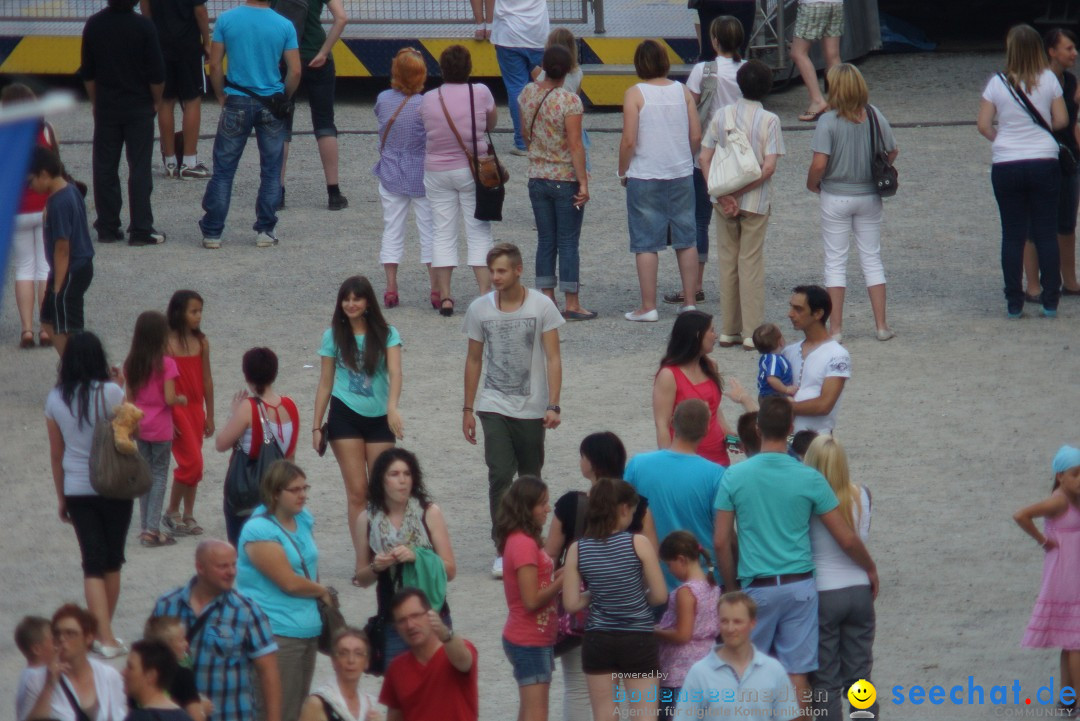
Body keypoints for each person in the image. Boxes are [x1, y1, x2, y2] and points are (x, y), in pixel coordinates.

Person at [713, 397, 877, 710]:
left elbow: (721, 540)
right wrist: (869, 568)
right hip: (799, 584)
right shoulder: (810, 478)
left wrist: (732, 589)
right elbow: (845, 536)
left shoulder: (733, 477)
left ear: (758, 428)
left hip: (756, 586)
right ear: (790, 428)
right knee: (797, 675)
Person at [462, 243, 564, 578]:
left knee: (531, 478)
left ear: (518, 270)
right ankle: (504, 547)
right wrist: (468, 408)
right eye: (492, 271)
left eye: (501, 270)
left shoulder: (541, 305)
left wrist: (553, 403)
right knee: (500, 475)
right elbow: (474, 359)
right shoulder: (479, 309)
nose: (495, 277)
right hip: (493, 405)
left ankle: (530, 542)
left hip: (532, 408)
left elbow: (553, 357)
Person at [544, 432, 657, 721]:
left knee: (583, 696)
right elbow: (653, 567)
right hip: (636, 627)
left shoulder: (571, 505)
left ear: (592, 463)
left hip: (592, 628)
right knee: (643, 709)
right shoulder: (639, 506)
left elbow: (549, 555)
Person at [45, 332, 131, 657]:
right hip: (114, 484)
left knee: (92, 563)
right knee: (113, 560)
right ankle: (103, 635)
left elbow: (57, 454)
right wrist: (122, 385)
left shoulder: (55, 399)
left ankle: (101, 636)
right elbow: (128, 430)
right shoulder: (110, 392)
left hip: (78, 486)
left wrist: (61, 497)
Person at [313, 276, 404, 574]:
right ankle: (362, 558)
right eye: (346, 299)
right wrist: (317, 425)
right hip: (344, 415)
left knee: (383, 489)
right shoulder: (333, 336)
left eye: (357, 298)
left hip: (379, 417)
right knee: (357, 493)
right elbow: (325, 382)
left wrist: (392, 408)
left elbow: (395, 372)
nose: (351, 304)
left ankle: (385, 549)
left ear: (368, 303)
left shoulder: (387, 334)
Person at [977, 24, 1066, 318]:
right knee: (1045, 231)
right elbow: (1062, 120)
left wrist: (1002, 139)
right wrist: (1040, 135)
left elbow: (983, 124)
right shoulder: (1049, 80)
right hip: (1043, 161)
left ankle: (1014, 302)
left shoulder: (997, 83)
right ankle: (1051, 299)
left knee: (1013, 234)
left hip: (1007, 163)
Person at [562, 478, 669, 720]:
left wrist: (595, 594)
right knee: (643, 714)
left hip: (599, 638)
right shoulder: (638, 543)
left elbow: (571, 603)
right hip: (637, 636)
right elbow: (660, 594)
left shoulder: (578, 549)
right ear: (623, 509)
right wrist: (637, 599)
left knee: (604, 713)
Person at [237, 461, 334, 721]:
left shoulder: (302, 518)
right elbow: (288, 582)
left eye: (305, 488)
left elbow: (309, 564)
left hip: (306, 629)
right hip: (276, 633)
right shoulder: (258, 530)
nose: (303, 494)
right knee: (276, 712)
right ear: (275, 492)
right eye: (295, 489)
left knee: (297, 708)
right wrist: (321, 591)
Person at [807, 63, 898, 340]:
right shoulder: (874, 115)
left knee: (835, 262)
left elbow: (820, 163)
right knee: (872, 258)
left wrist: (812, 184)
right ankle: (881, 326)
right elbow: (892, 151)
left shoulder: (828, 121)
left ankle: (835, 329)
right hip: (869, 195)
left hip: (835, 195)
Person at [199, 0, 300, 249]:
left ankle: (213, 231)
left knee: (223, 170)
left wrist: (221, 94)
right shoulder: (284, 25)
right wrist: (283, 97)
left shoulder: (226, 20)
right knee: (271, 170)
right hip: (271, 102)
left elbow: (214, 63)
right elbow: (295, 71)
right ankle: (265, 229)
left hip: (236, 98)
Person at [700, 60, 785, 348]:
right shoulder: (770, 120)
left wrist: (723, 194)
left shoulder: (722, 115)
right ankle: (751, 332)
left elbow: (704, 158)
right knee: (750, 262)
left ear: (739, 83)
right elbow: (769, 167)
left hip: (722, 201)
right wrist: (740, 193)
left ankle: (728, 329)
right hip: (755, 200)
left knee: (727, 262)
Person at [151, 539, 282, 721]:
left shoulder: (247, 611)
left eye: (234, 565)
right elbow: (148, 661)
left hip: (231, 715)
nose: (232, 572)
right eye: (223, 566)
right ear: (200, 567)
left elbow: (269, 672)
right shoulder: (167, 605)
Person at [619, 40, 701, 322]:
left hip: (645, 173)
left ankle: (648, 305)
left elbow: (629, 139)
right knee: (686, 237)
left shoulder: (635, 93)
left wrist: (622, 170)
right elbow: (695, 136)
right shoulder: (683, 91)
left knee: (646, 241)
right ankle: (689, 301)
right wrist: (684, 157)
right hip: (680, 172)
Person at [352, 448, 456, 664]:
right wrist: (376, 567)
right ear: (382, 480)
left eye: (407, 474)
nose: (402, 481)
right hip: (393, 619)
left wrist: (418, 557)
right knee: (400, 690)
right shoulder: (367, 519)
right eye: (394, 474)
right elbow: (361, 578)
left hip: (432, 616)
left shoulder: (428, 512)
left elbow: (450, 569)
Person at [670, 15, 745, 307]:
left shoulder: (702, 70)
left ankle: (696, 283)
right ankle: (738, 279)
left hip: (707, 150)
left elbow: (688, 109)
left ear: (714, 40)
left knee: (700, 219)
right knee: (741, 216)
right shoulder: (748, 69)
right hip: (740, 151)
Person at [81, 0, 166, 246]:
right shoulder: (144, 27)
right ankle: (140, 228)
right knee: (139, 167)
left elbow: (88, 72)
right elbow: (157, 74)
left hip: (107, 106)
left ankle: (107, 226)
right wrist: (156, 101)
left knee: (105, 166)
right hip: (138, 106)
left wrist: (96, 102)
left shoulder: (94, 25)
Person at [803, 435, 877, 720]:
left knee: (826, 682)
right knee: (860, 677)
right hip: (859, 590)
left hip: (822, 593)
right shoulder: (863, 495)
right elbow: (861, 538)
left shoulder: (807, 504)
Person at [419, 45, 496, 314]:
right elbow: (490, 124)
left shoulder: (428, 98)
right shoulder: (481, 92)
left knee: (442, 232)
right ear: (469, 67)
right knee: (478, 231)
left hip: (437, 171)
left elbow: (424, 128)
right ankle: (486, 295)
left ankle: (447, 296)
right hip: (473, 170)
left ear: (441, 69)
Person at [520, 45, 594, 320]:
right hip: (564, 177)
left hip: (537, 174)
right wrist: (583, 183)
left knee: (545, 239)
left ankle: (546, 298)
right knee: (568, 241)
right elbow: (576, 145)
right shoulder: (569, 101)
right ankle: (572, 302)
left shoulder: (527, 94)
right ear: (568, 70)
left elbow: (526, 135)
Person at [628, 399, 726, 590]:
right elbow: (722, 535)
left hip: (652, 580)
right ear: (706, 429)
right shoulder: (716, 475)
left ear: (672, 422)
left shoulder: (638, 465)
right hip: (702, 582)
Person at [1015, 445, 1080, 712]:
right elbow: (1021, 514)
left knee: (1069, 642)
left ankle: (1067, 702)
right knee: (1076, 642)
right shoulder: (1059, 501)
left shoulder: (1072, 499)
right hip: (1067, 579)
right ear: (1060, 476)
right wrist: (1044, 541)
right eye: (1076, 474)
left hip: (1070, 575)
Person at [215, 347, 299, 545]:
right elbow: (290, 455)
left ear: (247, 376)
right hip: (280, 490)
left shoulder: (248, 408)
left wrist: (233, 413)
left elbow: (221, 444)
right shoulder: (290, 405)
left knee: (244, 551)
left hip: (249, 492)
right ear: (274, 373)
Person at [495, 476, 563, 721]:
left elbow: (537, 582)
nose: (548, 508)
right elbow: (531, 600)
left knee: (529, 713)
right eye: (542, 503)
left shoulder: (519, 539)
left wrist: (558, 575)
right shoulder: (523, 544)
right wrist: (562, 582)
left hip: (532, 638)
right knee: (537, 715)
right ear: (526, 507)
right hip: (529, 639)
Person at [675, 592, 800, 720]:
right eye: (724, 621)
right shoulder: (699, 673)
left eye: (737, 622)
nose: (730, 628)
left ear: (752, 623)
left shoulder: (774, 670)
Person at [375, 48, 436, 309]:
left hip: (390, 170)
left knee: (392, 229)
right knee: (430, 231)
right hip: (421, 173)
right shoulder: (425, 104)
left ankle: (391, 287)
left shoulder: (383, 99)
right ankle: (436, 288)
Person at [653, 311, 753, 467]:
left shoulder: (711, 365)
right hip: (685, 461)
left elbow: (714, 408)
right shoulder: (668, 375)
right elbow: (662, 424)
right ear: (698, 335)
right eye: (712, 330)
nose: (716, 336)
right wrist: (668, 466)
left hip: (718, 458)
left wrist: (729, 436)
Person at [276, 0, 349, 211]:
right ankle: (334, 193)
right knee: (325, 124)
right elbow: (342, 18)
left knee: (282, 125)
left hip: (286, 59)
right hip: (317, 57)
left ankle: (277, 192)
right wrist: (324, 52)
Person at [1025, 29, 1080, 300]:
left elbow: (1075, 123)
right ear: (1051, 51)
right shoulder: (1034, 81)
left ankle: (1070, 280)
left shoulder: (1071, 82)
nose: (1074, 53)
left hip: (1068, 158)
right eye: (1068, 48)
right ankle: (1033, 284)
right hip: (1039, 156)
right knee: (1034, 224)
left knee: (1067, 221)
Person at [125, 310, 186, 547]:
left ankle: (145, 527)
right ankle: (152, 529)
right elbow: (170, 398)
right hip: (161, 427)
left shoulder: (132, 364)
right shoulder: (166, 364)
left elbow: (128, 398)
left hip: (141, 425)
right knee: (160, 475)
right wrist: (180, 399)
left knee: (145, 474)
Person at [27, 147, 94, 358]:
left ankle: (78, 370)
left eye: (31, 181)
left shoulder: (59, 202)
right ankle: (69, 364)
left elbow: (62, 248)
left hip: (71, 269)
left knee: (69, 326)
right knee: (48, 320)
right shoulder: (68, 189)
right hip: (69, 269)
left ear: (44, 174)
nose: (30, 187)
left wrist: (57, 286)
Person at [3, 84, 53, 349]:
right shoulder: (45, 130)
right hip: (44, 207)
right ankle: (46, 328)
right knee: (45, 266)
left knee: (24, 267)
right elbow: (57, 168)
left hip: (18, 210)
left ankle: (26, 330)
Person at [379, 588, 479, 721]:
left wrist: (445, 634)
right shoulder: (397, 668)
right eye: (402, 621)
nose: (410, 625)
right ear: (396, 628)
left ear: (431, 615)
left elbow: (464, 661)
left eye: (415, 616)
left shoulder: (455, 651)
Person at [138, 0, 212, 179]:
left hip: (161, 45)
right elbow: (200, 10)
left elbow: (144, 5)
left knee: (165, 101)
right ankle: (189, 161)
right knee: (192, 100)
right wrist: (207, 42)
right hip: (188, 45)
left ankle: (170, 161)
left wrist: (151, 33)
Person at [163, 289, 215, 537]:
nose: (199, 316)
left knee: (194, 464)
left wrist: (211, 414)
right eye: (193, 311)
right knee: (192, 462)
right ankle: (172, 510)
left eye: (200, 311)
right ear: (179, 313)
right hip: (176, 409)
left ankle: (188, 513)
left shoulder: (202, 342)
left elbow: (207, 380)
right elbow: (159, 383)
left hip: (196, 409)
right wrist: (167, 415)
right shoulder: (166, 345)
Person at [19, 605, 127, 721]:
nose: (61, 638)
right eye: (57, 633)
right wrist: (49, 685)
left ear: (88, 638)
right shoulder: (37, 680)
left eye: (70, 633)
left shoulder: (108, 676)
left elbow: (120, 715)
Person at [654, 531, 720, 716]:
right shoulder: (712, 587)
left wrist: (654, 631)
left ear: (681, 559)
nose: (668, 570)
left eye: (669, 564)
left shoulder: (685, 592)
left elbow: (683, 635)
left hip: (678, 674)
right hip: (707, 666)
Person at [471, 0, 547, 154]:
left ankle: (522, 141)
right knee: (545, 87)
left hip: (508, 35)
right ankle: (545, 139)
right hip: (537, 33)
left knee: (516, 89)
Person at [781, 286, 850, 435]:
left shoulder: (838, 355)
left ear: (818, 313)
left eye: (798, 309)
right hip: (784, 441)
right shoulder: (788, 351)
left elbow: (824, 405)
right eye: (791, 307)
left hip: (816, 443)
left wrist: (782, 408)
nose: (790, 314)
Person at [300, 628, 380, 721]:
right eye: (343, 653)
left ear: (366, 662)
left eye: (358, 654)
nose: (351, 660)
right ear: (333, 661)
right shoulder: (318, 704)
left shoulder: (369, 706)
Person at [143, 616, 210, 721]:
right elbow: (196, 718)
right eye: (181, 639)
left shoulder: (142, 674)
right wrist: (203, 710)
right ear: (166, 648)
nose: (186, 644)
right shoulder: (183, 675)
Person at [790, 0, 843, 122]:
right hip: (836, 3)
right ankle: (841, 101)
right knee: (833, 55)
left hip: (812, 4)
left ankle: (817, 100)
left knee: (798, 52)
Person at [123, 639, 194, 721]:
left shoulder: (139, 718)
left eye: (130, 667)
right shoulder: (185, 717)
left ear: (150, 675)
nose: (123, 673)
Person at [14, 616, 55, 721]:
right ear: (37, 649)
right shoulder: (39, 676)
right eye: (53, 639)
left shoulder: (27, 674)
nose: (59, 643)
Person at [752, 323, 797, 399]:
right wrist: (786, 389)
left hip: (766, 396)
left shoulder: (765, 357)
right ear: (780, 342)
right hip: (774, 396)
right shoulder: (774, 359)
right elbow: (771, 378)